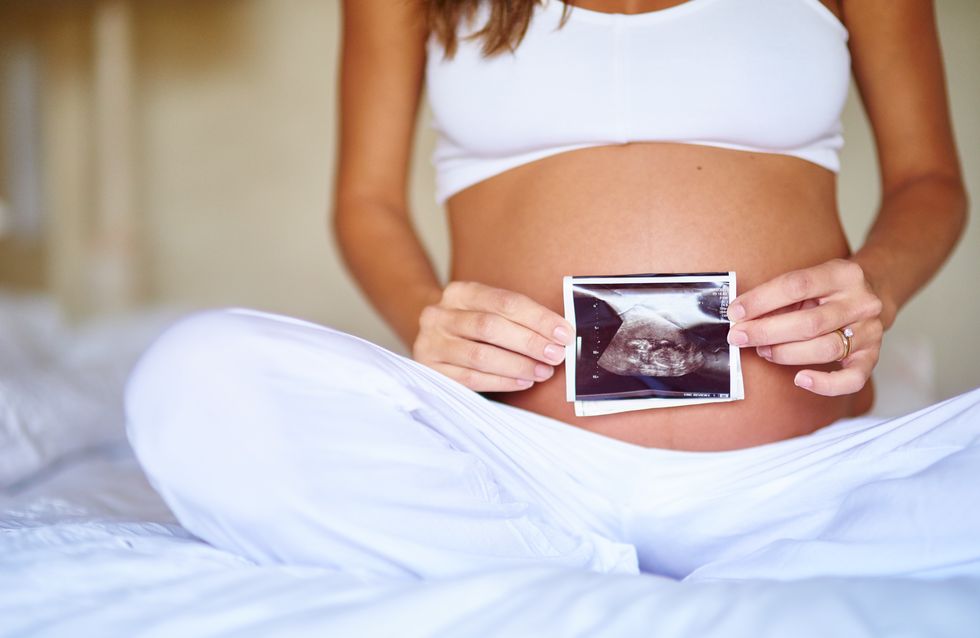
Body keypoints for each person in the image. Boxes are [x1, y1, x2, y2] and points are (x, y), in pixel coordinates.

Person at [125, 0, 980, 583]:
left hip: (805, 475)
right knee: (192, 378)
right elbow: (366, 204)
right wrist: (430, 319)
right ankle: (563, 556)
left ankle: (558, 565)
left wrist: (877, 285)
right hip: (520, 471)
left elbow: (932, 179)